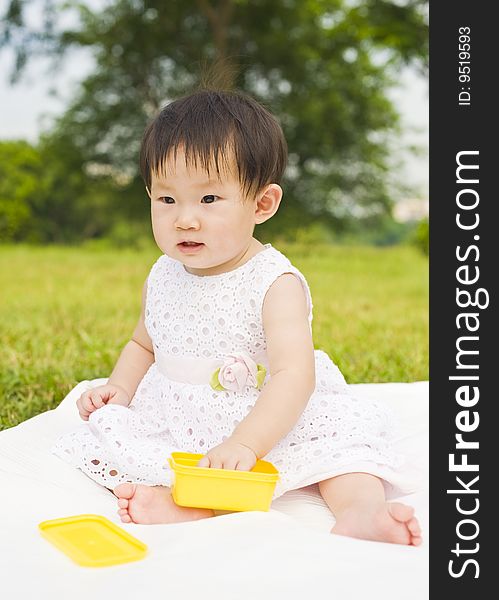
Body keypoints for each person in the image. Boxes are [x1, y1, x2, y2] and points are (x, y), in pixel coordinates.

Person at [53, 88, 421, 545]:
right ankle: (196, 505)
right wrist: (119, 389)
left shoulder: (273, 282)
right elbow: (143, 344)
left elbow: (293, 375)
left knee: (340, 454)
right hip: (182, 411)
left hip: (270, 411)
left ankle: (362, 513)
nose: (185, 219)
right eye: (167, 200)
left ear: (261, 204)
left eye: (208, 199)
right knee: (137, 451)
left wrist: (247, 442)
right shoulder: (163, 275)